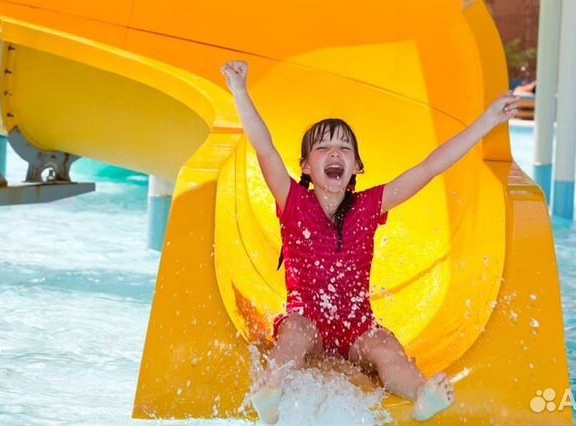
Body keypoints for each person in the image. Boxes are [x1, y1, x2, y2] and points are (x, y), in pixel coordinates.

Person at [220, 60, 518, 424]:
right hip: (307, 320)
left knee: (384, 345)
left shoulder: (368, 206)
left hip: (357, 327)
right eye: (323, 147)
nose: (334, 153)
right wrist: (240, 91)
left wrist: (487, 121)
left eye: (344, 148)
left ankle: (421, 394)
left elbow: (430, 167)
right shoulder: (292, 201)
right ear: (306, 166)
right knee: (294, 331)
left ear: (357, 167)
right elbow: (265, 148)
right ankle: (272, 392)